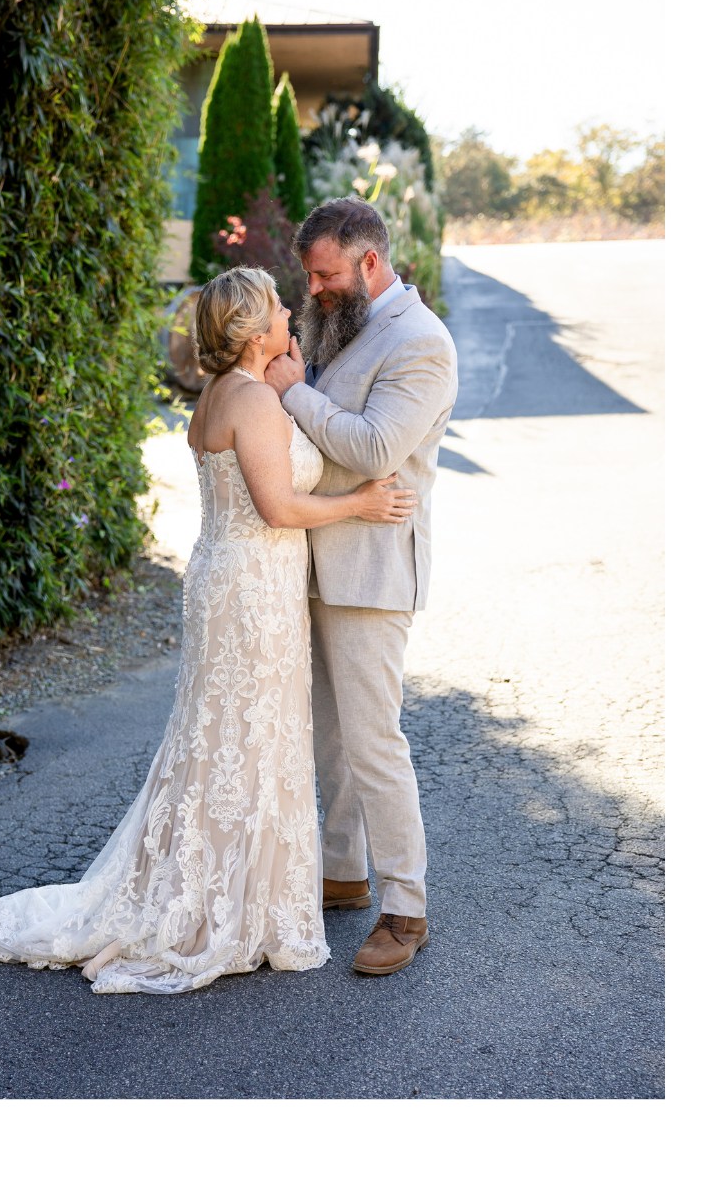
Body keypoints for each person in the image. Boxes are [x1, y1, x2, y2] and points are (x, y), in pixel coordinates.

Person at [0, 266, 416, 994]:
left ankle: (230, 885)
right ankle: (230, 902)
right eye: (275, 307)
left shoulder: (224, 395)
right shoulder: (252, 403)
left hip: (231, 576)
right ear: (250, 329)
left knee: (228, 737)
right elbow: (278, 508)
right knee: (248, 737)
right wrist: (360, 501)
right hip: (250, 585)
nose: (289, 311)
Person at [265, 196, 458, 976]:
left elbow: (376, 445)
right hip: (308, 561)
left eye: (326, 274)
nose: (314, 289)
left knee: (376, 744)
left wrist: (290, 392)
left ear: (370, 263)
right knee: (330, 740)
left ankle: (405, 908)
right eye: (310, 275)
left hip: (374, 571)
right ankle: (343, 875)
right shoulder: (347, 324)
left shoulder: (421, 344)